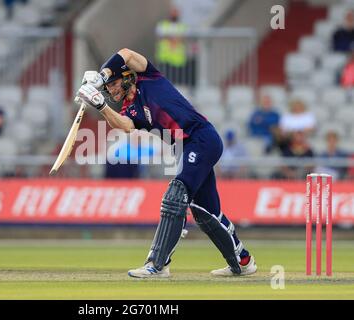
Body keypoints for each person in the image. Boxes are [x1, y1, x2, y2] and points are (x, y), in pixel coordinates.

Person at [77, 48, 256, 278]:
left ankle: (157, 264)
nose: (110, 90)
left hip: (201, 137)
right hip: (184, 148)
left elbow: (126, 54)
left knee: (176, 193)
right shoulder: (129, 109)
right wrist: (100, 105)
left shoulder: (147, 75)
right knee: (205, 212)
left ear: (125, 77)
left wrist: (102, 75)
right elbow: (124, 125)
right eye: (107, 88)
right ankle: (242, 261)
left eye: (111, 84)